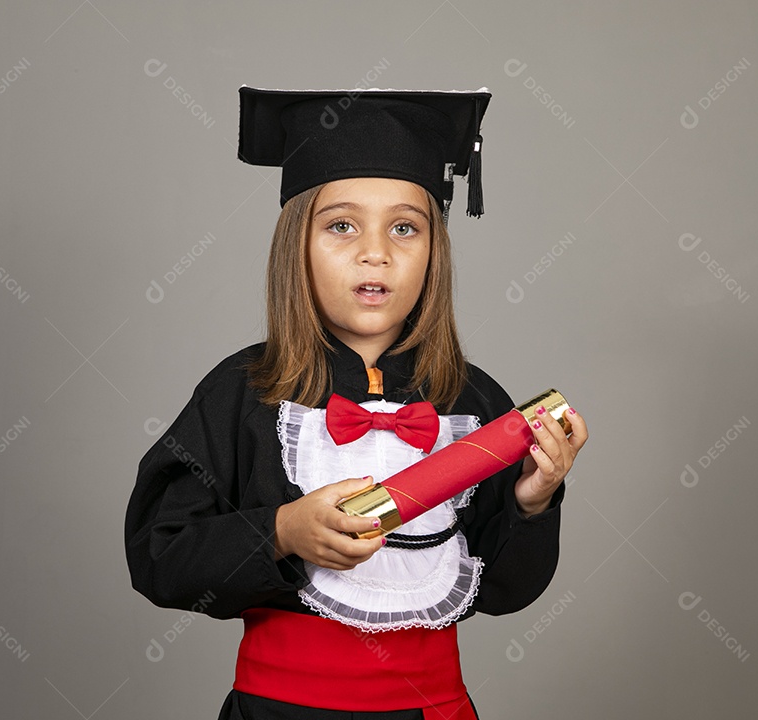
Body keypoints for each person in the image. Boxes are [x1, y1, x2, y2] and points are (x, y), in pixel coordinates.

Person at [124, 87, 589, 720]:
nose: (377, 252)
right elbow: (160, 557)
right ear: (298, 246)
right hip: (280, 710)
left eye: (405, 227)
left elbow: (507, 591)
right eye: (342, 225)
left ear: (434, 251)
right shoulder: (242, 391)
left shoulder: (475, 400)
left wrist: (531, 504)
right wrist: (282, 531)